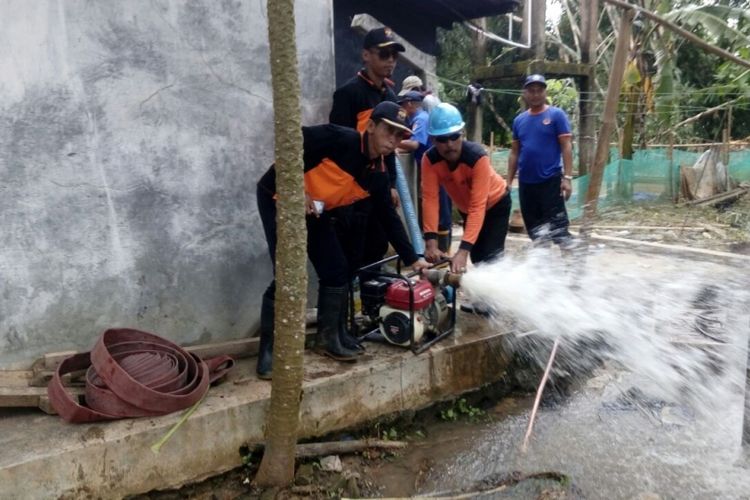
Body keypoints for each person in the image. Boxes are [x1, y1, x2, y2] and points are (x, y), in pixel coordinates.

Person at [255, 102, 430, 379]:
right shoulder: (339, 138)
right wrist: (297, 190)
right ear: (371, 126)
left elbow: (389, 218)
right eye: (389, 131)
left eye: (400, 135)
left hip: (318, 209)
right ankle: (269, 352)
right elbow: (290, 139)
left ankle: (329, 338)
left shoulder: (378, 173)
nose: (393, 140)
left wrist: (414, 259)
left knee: (336, 269)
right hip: (278, 197)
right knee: (288, 276)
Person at [330, 27, 404, 270]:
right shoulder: (348, 94)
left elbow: (391, 148)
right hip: (353, 189)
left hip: (379, 187)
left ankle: (370, 305)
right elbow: (338, 146)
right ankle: (346, 306)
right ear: (366, 56)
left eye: (394, 55)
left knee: (377, 246)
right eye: (383, 54)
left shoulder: (391, 97)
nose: (390, 60)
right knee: (352, 253)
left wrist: (391, 183)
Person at [421, 103, 511, 280]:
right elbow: (430, 199)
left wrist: (462, 251)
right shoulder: (429, 160)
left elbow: (478, 205)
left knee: (491, 256)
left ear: (462, 134)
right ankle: (482, 300)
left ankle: (493, 304)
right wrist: (431, 242)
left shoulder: (477, 157)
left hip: (496, 203)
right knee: (477, 256)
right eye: (442, 139)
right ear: (432, 140)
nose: (449, 145)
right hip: (467, 209)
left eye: (454, 137)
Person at [506, 74, 574, 244]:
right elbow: (515, 152)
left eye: (539, 91)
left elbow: (566, 146)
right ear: (525, 94)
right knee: (536, 233)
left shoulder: (556, 115)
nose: (535, 94)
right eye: (531, 91)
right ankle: (543, 270)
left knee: (559, 231)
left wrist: (567, 178)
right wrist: (508, 181)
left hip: (550, 181)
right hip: (527, 184)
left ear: (544, 93)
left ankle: (573, 270)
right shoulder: (519, 120)